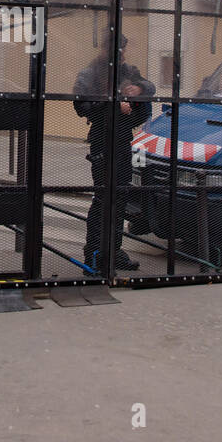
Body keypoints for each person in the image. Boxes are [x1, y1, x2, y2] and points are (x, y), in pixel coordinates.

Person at [73, 35, 155, 272]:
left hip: (122, 139)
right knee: (102, 199)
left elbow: (149, 87)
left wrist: (137, 88)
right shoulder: (89, 73)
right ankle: (94, 254)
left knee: (119, 198)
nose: (120, 52)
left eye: (122, 48)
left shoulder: (127, 70)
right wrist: (114, 104)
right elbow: (81, 106)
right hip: (101, 140)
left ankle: (114, 251)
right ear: (105, 47)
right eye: (115, 48)